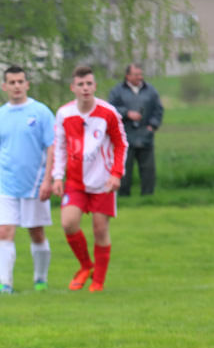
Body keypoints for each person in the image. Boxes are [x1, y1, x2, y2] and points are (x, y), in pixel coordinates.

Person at [52, 65, 128, 292]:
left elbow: (121, 144)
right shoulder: (64, 114)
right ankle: (86, 266)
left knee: (100, 230)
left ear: (95, 86)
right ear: (73, 88)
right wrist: (57, 177)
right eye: (80, 85)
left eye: (89, 84)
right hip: (75, 182)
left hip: (103, 182)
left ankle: (99, 281)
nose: (85, 88)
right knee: (68, 223)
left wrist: (116, 174)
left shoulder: (108, 112)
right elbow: (60, 147)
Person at [0, 66, 55, 294]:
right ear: (4, 87)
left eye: (20, 81)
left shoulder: (41, 112)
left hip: (34, 183)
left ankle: (40, 280)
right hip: (6, 184)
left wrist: (48, 181)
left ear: (27, 84)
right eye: (11, 82)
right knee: (5, 231)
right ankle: (6, 284)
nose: (16, 86)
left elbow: (52, 148)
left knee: (36, 232)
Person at [107, 63, 163, 196]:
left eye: (141, 74)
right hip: (125, 136)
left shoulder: (151, 91)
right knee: (125, 169)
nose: (140, 77)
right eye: (136, 74)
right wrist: (127, 113)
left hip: (146, 135)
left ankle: (148, 197)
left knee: (148, 169)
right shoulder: (117, 91)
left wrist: (152, 126)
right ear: (128, 76)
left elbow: (158, 110)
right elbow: (111, 109)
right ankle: (123, 196)